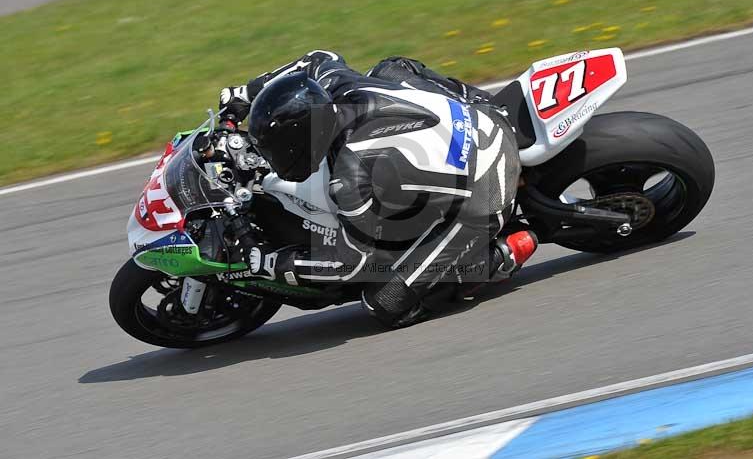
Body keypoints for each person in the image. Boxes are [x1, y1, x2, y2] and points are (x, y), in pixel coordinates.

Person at [220, 50, 538, 327]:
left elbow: (351, 263)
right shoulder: (332, 87)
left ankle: (501, 254)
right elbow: (318, 58)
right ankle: (475, 100)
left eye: (277, 151)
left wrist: (272, 262)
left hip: (488, 182)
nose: (271, 159)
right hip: (475, 114)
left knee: (385, 301)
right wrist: (246, 93)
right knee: (390, 67)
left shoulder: (350, 178)